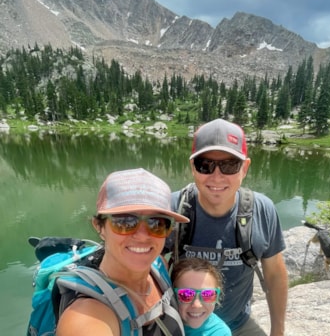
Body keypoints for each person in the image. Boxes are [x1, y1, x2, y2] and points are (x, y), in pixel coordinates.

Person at [170, 118, 288, 336]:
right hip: (182, 325)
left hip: (239, 325)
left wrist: (277, 331)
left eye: (229, 165)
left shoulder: (262, 210)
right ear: (192, 167)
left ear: (245, 168)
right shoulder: (172, 209)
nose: (217, 176)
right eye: (205, 165)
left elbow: (275, 275)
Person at [56, 168, 189, 336]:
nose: (142, 237)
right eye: (125, 222)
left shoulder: (158, 265)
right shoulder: (86, 317)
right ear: (99, 226)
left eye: (157, 223)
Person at [171, 258, 231, 335]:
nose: (197, 305)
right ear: (172, 295)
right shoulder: (159, 322)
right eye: (186, 294)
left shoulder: (220, 332)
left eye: (207, 294)